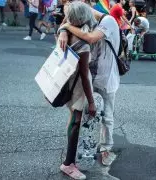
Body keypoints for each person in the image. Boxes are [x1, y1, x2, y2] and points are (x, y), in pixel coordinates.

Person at [58, 4, 120, 167]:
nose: (79, 24)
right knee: (84, 116)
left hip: (106, 78)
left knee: (106, 116)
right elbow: (69, 19)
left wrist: (66, 26)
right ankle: (78, 150)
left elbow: (91, 38)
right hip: (91, 78)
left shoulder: (109, 21)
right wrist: (63, 31)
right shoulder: (84, 16)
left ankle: (106, 149)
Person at [58, 2, 96, 180]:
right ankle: (68, 164)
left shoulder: (69, 30)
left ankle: (70, 160)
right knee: (76, 121)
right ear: (83, 18)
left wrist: (63, 29)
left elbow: (65, 21)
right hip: (77, 87)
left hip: (66, 82)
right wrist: (92, 101)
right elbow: (84, 74)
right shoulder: (83, 44)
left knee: (72, 118)